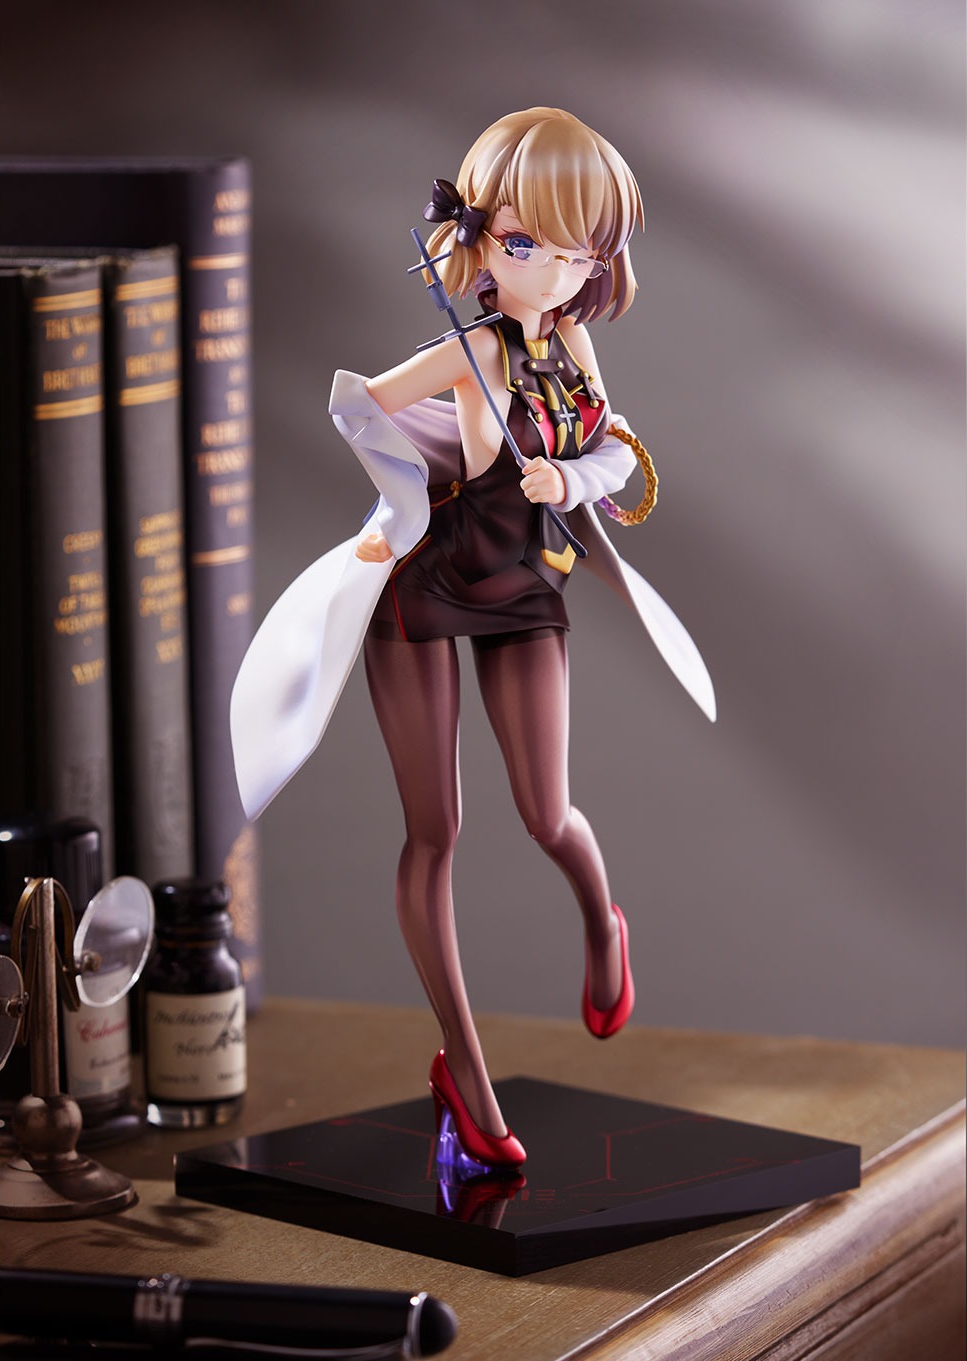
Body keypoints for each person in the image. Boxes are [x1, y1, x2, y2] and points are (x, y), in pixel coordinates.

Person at [230, 107, 715, 1173]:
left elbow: (616, 454)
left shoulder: (571, 343)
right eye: (529, 242)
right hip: (423, 582)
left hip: (523, 583)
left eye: (581, 251)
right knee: (435, 830)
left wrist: (564, 479)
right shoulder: (469, 348)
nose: (555, 270)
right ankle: (467, 1066)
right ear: (483, 236)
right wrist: (406, 490)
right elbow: (354, 404)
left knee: (548, 812)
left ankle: (603, 922)